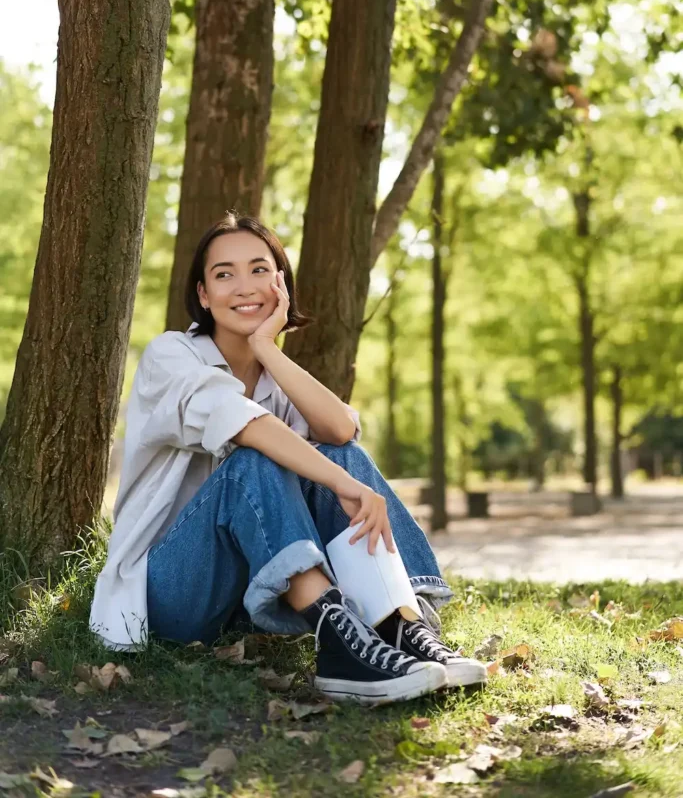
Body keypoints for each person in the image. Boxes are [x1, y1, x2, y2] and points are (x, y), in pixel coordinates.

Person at [90, 213, 486, 706]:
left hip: (249, 598)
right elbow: (245, 426)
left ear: (281, 283)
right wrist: (345, 485)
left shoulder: (276, 377)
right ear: (204, 293)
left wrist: (266, 348)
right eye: (224, 274)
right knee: (254, 462)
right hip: (171, 594)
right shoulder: (172, 355)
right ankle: (339, 645)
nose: (244, 286)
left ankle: (402, 626)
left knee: (338, 453)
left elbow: (340, 429)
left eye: (259, 269)